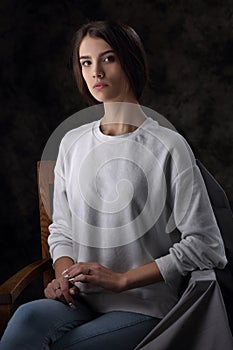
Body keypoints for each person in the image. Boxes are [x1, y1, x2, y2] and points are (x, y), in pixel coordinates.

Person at [0, 20, 227, 350]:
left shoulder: (169, 146)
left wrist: (120, 280)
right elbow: (61, 230)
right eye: (86, 62)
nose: (96, 72)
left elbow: (207, 245)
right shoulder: (72, 143)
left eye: (108, 59)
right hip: (81, 301)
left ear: (130, 62)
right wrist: (63, 277)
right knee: (25, 322)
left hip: (143, 306)